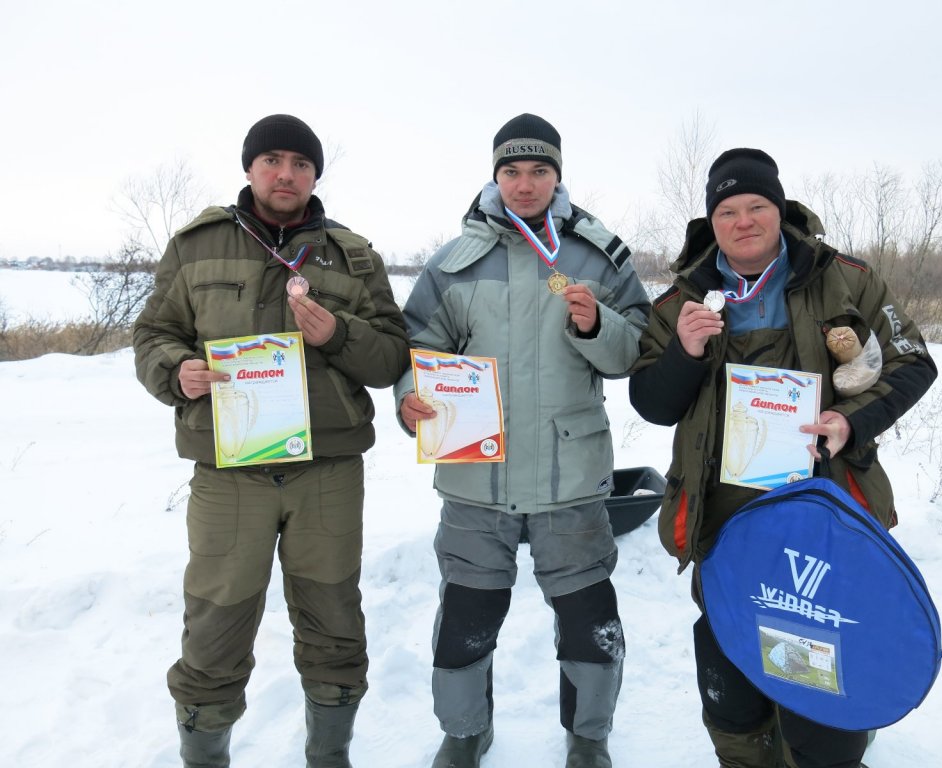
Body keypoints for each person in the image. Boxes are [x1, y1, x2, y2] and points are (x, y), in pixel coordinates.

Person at [628, 148, 937, 768]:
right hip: (722, 518)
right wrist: (684, 353)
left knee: (819, 664)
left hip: (825, 512)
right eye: (728, 210)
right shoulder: (679, 303)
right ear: (710, 222)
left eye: (757, 206)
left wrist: (849, 422)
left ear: (780, 209)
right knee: (734, 670)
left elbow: (913, 363)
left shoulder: (846, 279)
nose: (744, 221)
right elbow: (652, 404)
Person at [133, 114, 409, 768]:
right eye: (272, 160)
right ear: (250, 168)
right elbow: (153, 336)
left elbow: (393, 358)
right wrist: (177, 371)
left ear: (316, 174)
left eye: (300, 163)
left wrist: (336, 334)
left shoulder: (353, 255)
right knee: (215, 627)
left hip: (328, 472)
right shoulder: (196, 247)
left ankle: (329, 757)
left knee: (335, 622)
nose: (286, 174)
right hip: (230, 472)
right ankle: (204, 756)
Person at [394, 114, 650, 768]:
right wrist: (409, 398)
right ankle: (464, 734)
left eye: (539, 170)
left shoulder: (596, 256)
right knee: (464, 625)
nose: (525, 183)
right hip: (476, 481)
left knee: (591, 625)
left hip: (572, 478)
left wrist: (599, 326)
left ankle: (588, 738)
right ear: (494, 175)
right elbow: (414, 351)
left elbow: (637, 353)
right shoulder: (453, 264)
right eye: (512, 170)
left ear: (558, 175)